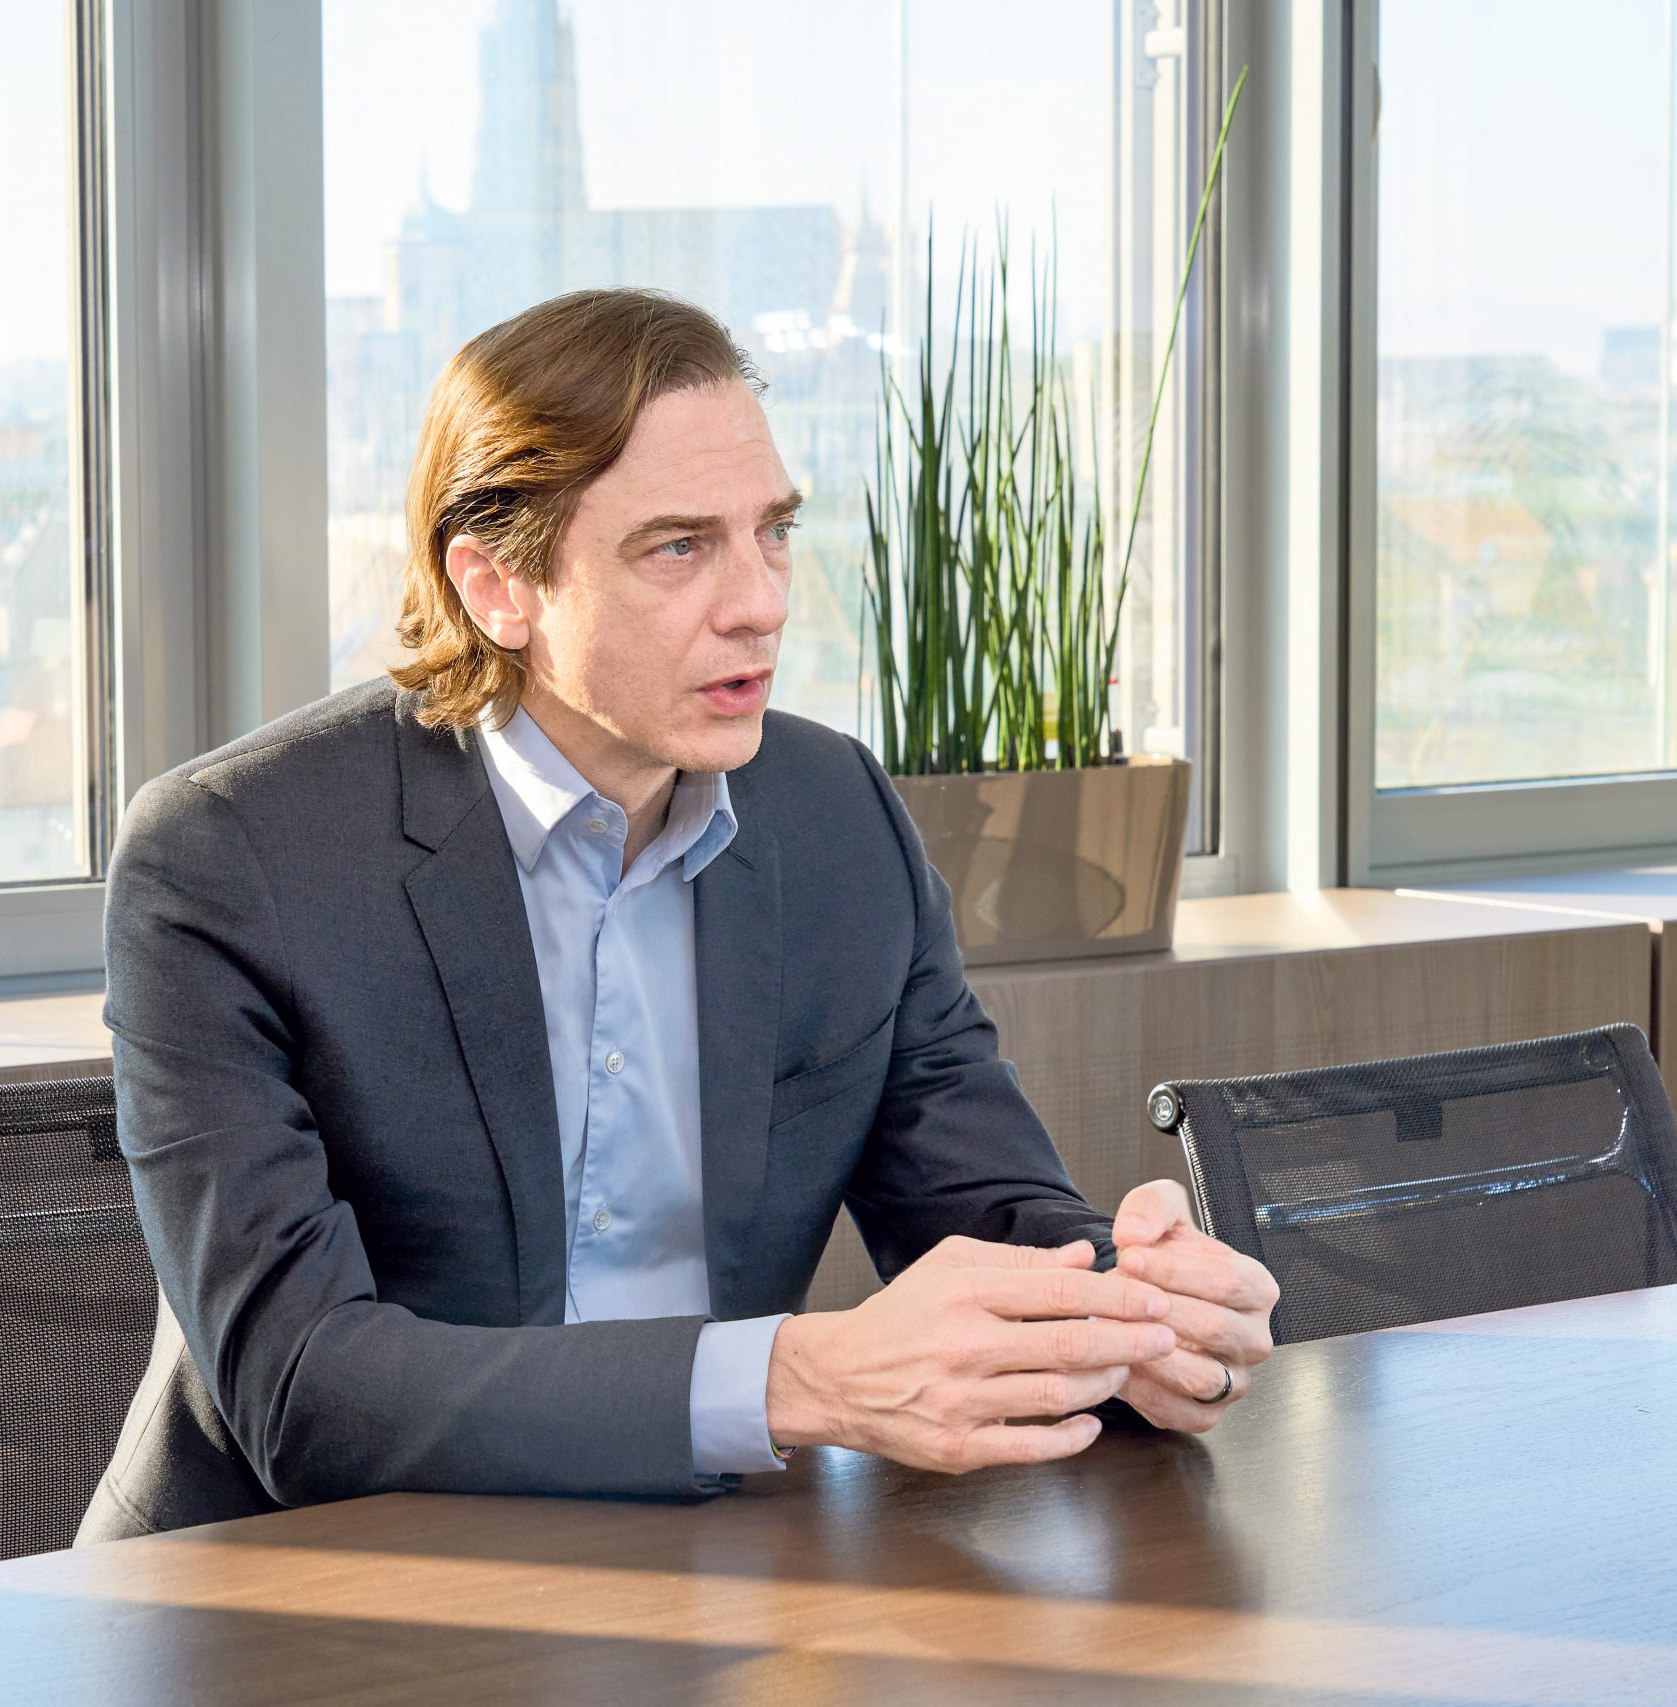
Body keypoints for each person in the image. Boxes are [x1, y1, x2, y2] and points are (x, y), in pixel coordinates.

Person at [79, 289, 1278, 1540]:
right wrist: (791, 1381)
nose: (760, 602)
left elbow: (985, 1210)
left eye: (773, 532)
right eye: (678, 548)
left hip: (705, 1554)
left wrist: (1142, 1310)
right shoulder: (231, 857)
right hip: (283, 1577)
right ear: (497, 585)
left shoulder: (835, 817)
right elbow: (299, 1389)